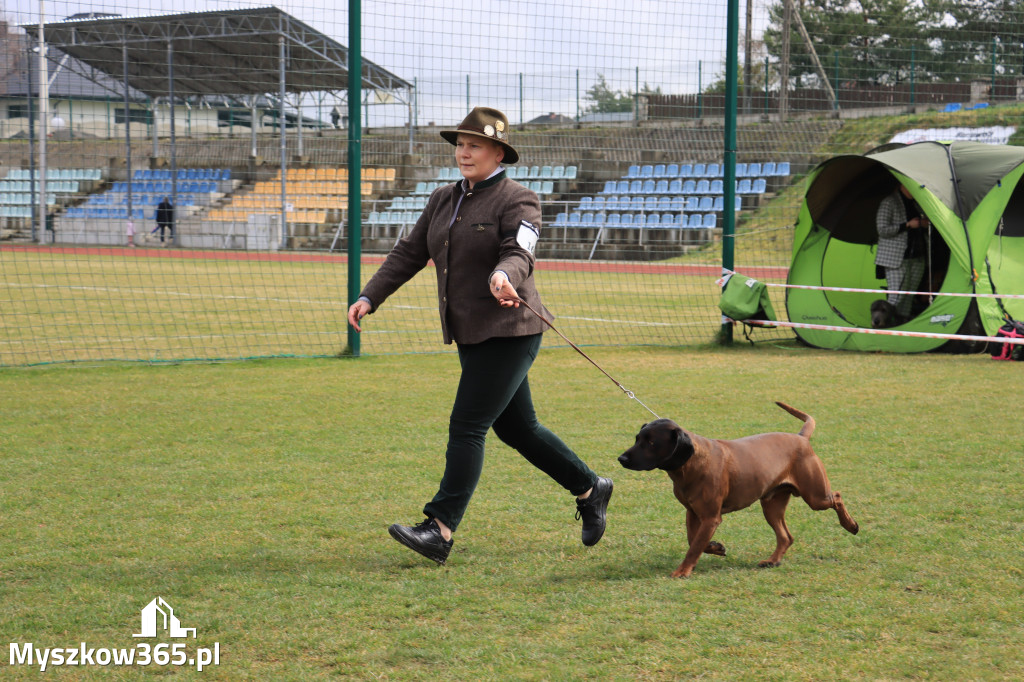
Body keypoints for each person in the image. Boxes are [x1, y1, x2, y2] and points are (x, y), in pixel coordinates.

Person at [346, 106, 613, 566]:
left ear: (498, 152)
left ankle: (440, 529)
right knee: (518, 429)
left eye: (475, 146)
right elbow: (410, 252)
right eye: (460, 145)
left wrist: (502, 275)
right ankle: (591, 488)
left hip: (512, 329)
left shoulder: (519, 199)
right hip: (471, 333)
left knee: (467, 426)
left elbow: (519, 252)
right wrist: (371, 296)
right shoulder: (442, 200)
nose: (464, 153)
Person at [875, 183, 928, 322]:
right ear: (903, 184)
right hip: (896, 259)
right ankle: (880, 325)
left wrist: (923, 224)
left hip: (917, 257)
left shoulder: (919, 203)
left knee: (909, 297)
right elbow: (882, 230)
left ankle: (899, 327)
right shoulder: (889, 202)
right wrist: (907, 225)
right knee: (896, 297)